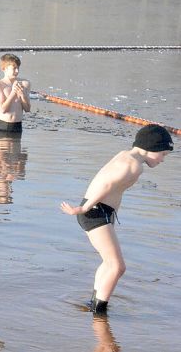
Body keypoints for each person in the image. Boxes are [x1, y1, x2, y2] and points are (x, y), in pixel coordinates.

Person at [60, 124, 174, 315]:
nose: (163, 159)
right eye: (163, 154)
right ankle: (99, 311)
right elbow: (107, 184)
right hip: (95, 213)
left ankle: (95, 302)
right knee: (118, 266)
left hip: (99, 213)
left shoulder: (126, 156)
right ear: (151, 147)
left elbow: (109, 182)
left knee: (108, 263)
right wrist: (84, 208)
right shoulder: (135, 166)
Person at [0, 53, 31, 137]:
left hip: (17, 125)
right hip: (2, 125)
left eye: (18, 68)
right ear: (4, 69)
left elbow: (27, 109)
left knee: (17, 150)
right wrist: (13, 93)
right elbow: (3, 109)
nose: (17, 71)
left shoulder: (25, 84)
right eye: (14, 68)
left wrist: (22, 95)